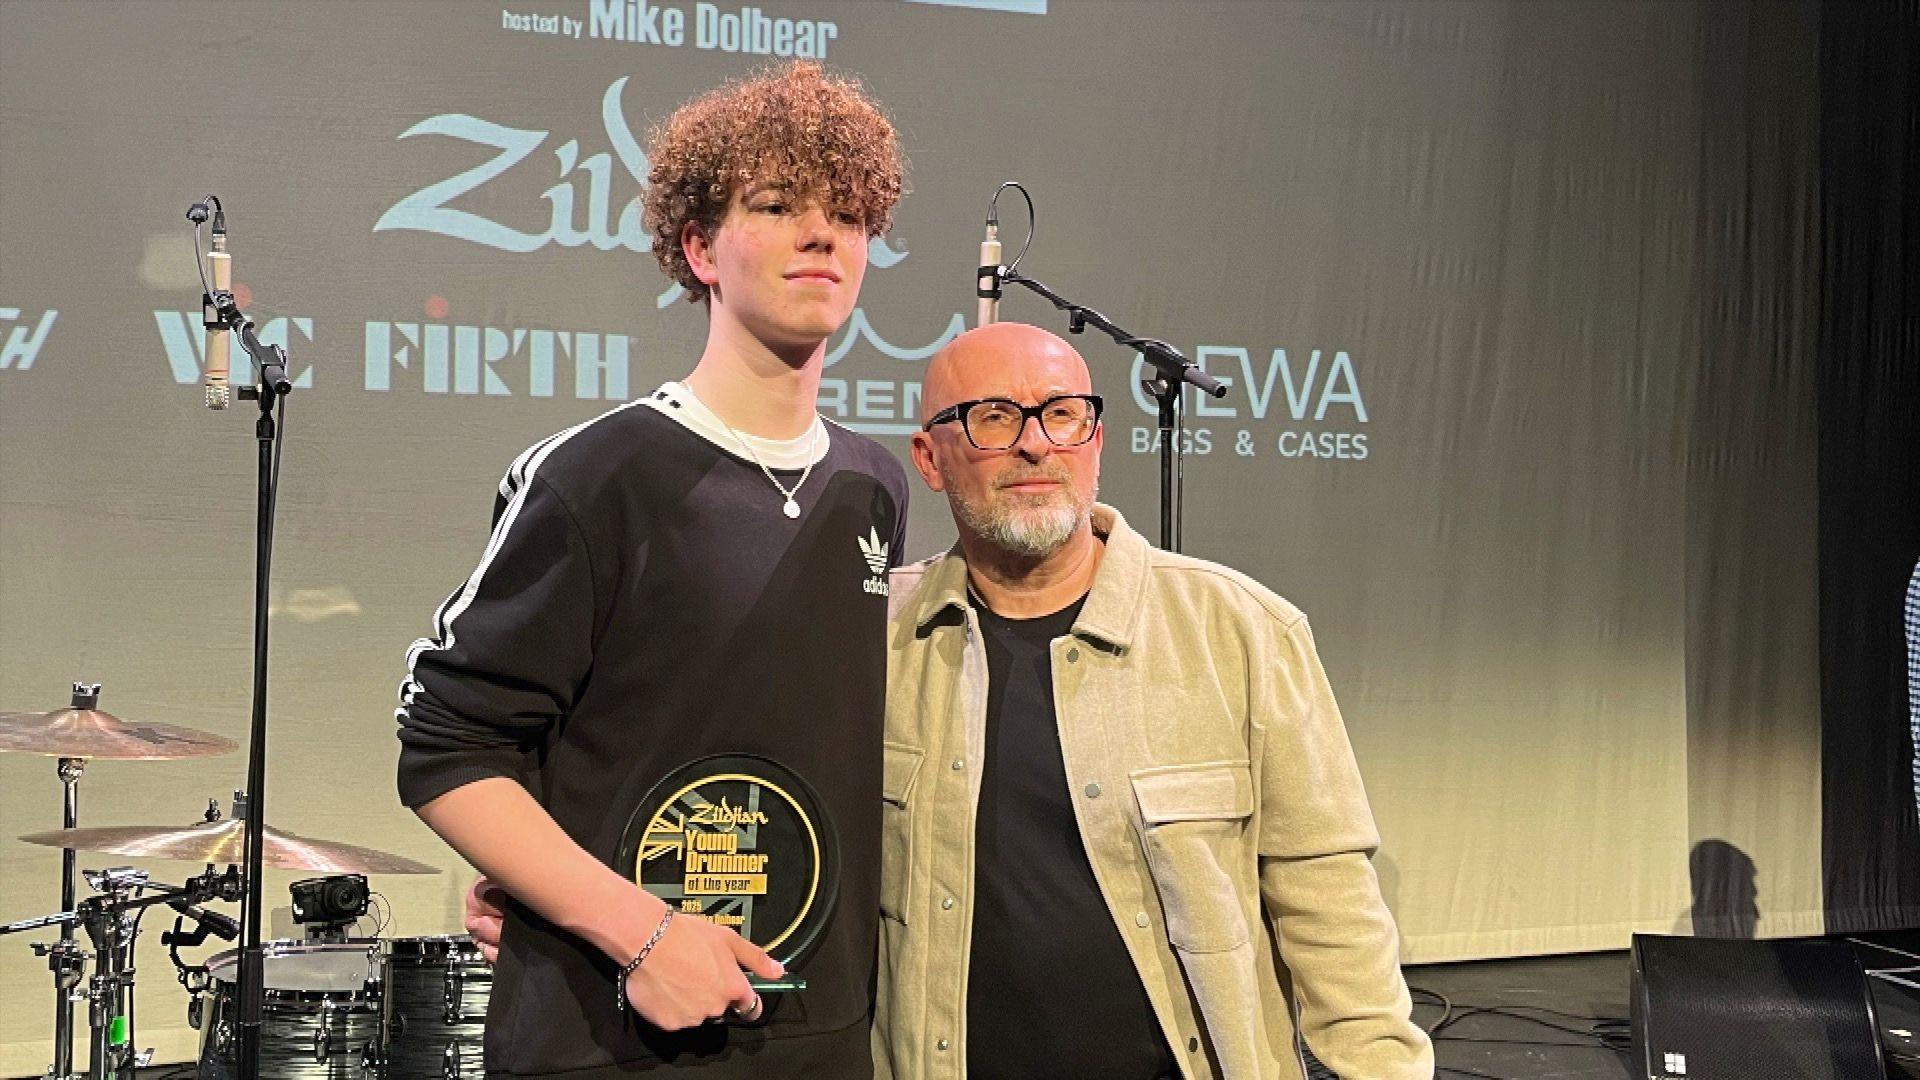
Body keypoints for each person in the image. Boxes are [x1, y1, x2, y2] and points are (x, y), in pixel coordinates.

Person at [397, 60, 908, 1078]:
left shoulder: (875, 484)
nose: (824, 236)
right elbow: (447, 750)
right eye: (777, 206)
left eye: (848, 215)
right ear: (697, 248)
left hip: (822, 1038)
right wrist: (641, 932)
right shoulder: (597, 477)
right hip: (609, 1036)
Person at [872, 323, 1432, 1079]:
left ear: (1096, 441)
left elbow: (1326, 896)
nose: (1035, 444)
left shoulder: (1240, 629)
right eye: (994, 417)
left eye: (1062, 413)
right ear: (929, 458)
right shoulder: (871, 639)